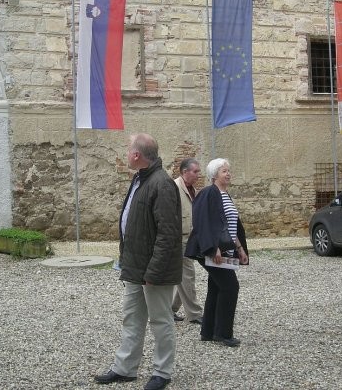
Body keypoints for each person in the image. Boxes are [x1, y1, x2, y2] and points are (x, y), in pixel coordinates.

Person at [95, 133, 183, 390]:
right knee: (132, 318)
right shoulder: (140, 179)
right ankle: (125, 368)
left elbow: (168, 234)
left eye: (128, 150)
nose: (126, 153)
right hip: (134, 267)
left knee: (160, 321)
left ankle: (162, 372)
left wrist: (153, 272)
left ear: (136, 155)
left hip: (154, 271)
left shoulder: (162, 184)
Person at [185, 158, 249, 348]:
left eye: (229, 171)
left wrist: (239, 248)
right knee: (230, 287)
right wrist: (213, 248)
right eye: (223, 171)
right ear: (214, 175)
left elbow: (230, 225)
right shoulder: (208, 193)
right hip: (210, 250)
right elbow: (202, 221)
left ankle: (208, 331)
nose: (228, 174)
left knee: (217, 287)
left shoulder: (225, 195)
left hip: (225, 249)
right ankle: (223, 333)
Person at [172, 158, 204, 325]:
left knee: (182, 276)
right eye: (195, 172)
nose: (198, 175)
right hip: (180, 240)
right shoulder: (174, 188)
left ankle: (170, 309)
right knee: (188, 276)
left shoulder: (193, 190)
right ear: (185, 172)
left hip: (190, 239)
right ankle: (194, 313)